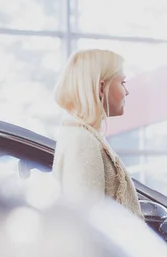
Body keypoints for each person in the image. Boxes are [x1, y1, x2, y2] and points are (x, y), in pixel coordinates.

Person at [52, 49, 143, 219]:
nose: (127, 91)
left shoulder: (82, 135)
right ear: (101, 87)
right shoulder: (83, 140)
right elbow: (87, 221)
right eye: (122, 83)